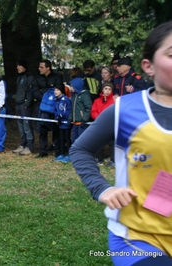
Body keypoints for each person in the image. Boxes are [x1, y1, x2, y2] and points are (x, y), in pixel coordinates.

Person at [70, 21, 172, 265]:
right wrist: (102, 188)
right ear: (148, 66)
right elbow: (80, 149)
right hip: (138, 239)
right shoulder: (126, 111)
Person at [35, 59, 64, 158]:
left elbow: (59, 89)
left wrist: (46, 94)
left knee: (56, 128)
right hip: (41, 106)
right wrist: (44, 98)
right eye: (39, 67)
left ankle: (57, 150)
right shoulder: (37, 78)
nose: (39, 69)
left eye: (41, 67)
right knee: (42, 128)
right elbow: (34, 90)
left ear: (48, 68)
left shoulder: (57, 77)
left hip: (54, 106)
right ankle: (43, 151)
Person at [12, 60, 36, 156]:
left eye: (20, 66)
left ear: (24, 67)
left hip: (25, 105)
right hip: (18, 104)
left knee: (27, 127)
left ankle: (29, 147)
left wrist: (27, 103)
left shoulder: (29, 77)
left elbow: (30, 91)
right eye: (17, 65)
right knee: (21, 127)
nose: (18, 67)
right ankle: (23, 144)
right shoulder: (19, 77)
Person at [90, 82, 115, 167]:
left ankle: (113, 160)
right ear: (102, 90)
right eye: (106, 89)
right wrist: (100, 119)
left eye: (109, 89)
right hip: (100, 124)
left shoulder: (114, 101)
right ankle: (98, 159)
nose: (107, 91)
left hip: (110, 124)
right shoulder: (97, 101)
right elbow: (93, 112)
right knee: (99, 142)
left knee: (112, 143)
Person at [69, 77, 92, 145]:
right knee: (73, 139)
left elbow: (88, 108)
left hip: (82, 123)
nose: (70, 88)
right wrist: (70, 118)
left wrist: (84, 119)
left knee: (81, 140)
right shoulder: (74, 96)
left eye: (72, 86)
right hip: (75, 123)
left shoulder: (85, 96)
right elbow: (73, 108)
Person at [52, 86, 72, 163]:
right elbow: (56, 110)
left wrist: (62, 116)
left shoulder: (66, 100)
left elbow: (68, 110)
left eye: (57, 90)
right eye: (55, 90)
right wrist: (57, 117)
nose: (55, 92)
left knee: (67, 138)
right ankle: (61, 154)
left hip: (66, 123)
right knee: (61, 138)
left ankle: (69, 155)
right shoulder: (56, 100)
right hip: (60, 123)